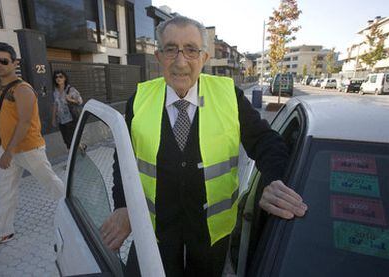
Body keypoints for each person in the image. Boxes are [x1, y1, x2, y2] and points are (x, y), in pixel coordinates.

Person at [101, 16, 308, 276]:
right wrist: (122, 204)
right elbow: (123, 157)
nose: (180, 61)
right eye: (170, 49)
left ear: (204, 57)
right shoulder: (138, 101)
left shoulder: (230, 96)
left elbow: (266, 142)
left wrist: (274, 179)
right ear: (158, 56)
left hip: (212, 237)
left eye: (190, 50)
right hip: (156, 235)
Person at [0, 43, 64, 249]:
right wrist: (5, 150)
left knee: (50, 182)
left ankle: (74, 212)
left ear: (14, 63)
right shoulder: (0, 90)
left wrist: (9, 152)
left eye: (3, 60)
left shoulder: (22, 89)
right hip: (8, 149)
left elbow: (24, 122)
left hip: (28, 149)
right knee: (5, 191)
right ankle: (1, 233)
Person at [51, 70, 83, 150]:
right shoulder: (55, 91)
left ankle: (73, 158)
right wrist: (53, 118)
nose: (58, 78)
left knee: (71, 141)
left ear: (65, 78)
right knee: (66, 140)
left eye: (60, 76)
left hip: (71, 119)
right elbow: (55, 105)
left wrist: (70, 99)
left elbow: (80, 101)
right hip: (61, 120)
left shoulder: (70, 89)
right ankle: (81, 147)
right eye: (56, 77)